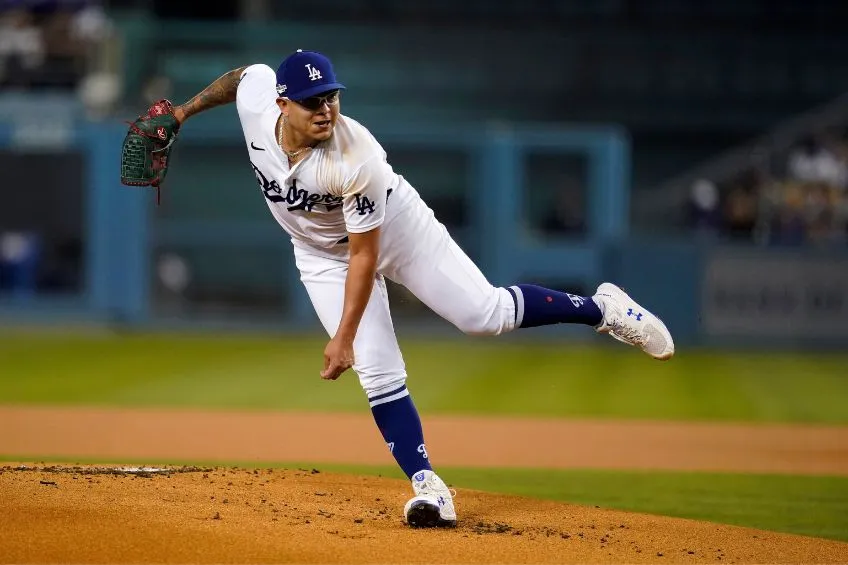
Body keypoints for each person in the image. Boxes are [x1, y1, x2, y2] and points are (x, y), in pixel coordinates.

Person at [168, 49, 675, 528]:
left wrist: (343, 334)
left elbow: (366, 256)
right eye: (312, 101)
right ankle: (429, 486)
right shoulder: (257, 101)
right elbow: (241, 77)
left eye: (332, 98)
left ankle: (601, 308)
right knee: (377, 369)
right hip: (321, 254)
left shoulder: (355, 155)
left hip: (394, 230)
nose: (326, 110)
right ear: (282, 103)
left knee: (484, 315)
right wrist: (183, 113)